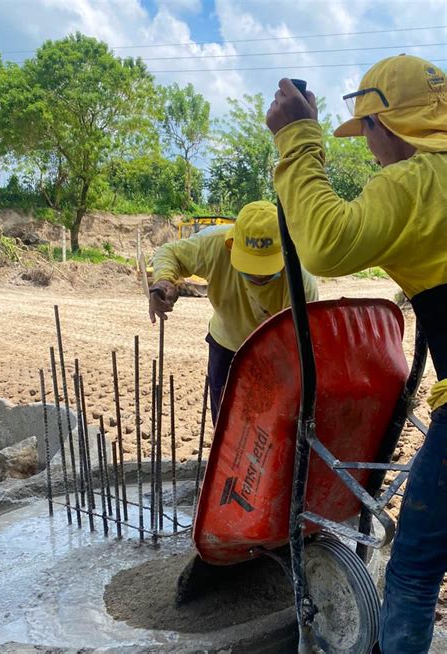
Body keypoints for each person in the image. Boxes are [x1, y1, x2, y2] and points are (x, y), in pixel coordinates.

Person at [266, 55, 447, 654]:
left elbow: (327, 242)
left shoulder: (416, 182)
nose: (370, 150)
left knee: (416, 570)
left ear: (382, 124)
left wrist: (297, 139)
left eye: (367, 132)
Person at [148, 200, 318, 425]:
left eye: (265, 272)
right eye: (250, 268)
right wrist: (164, 280)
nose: (257, 277)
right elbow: (168, 253)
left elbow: (303, 343)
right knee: (226, 421)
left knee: (272, 420)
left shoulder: (301, 280)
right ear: (232, 245)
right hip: (226, 343)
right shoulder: (213, 244)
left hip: (275, 350)